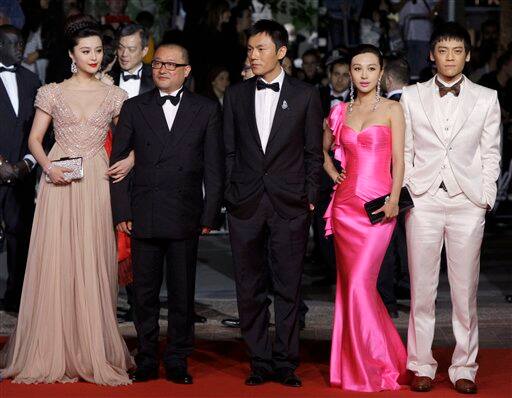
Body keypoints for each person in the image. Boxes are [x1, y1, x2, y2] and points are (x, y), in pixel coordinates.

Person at [0, 18, 133, 385]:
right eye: (86, 51)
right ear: (72, 55)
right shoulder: (52, 92)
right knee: (57, 258)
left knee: (93, 257)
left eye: (98, 51)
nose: (94, 57)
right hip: (60, 178)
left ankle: (91, 347)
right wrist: (48, 168)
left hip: (97, 179)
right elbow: (34, 139)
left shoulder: (115, 95)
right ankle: (54, 346)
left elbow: (130, 139)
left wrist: (131, 160)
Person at [110, 43, 224, 384]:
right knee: (143, 295)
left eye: (171, 65)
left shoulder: (205, 109)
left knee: (181, 292)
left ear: (186, 71)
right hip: (143, 212)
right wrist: (121, 210)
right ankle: (146, 357)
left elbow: (214, 167)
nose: (162, 69)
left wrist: (209, 214)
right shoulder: (133, 107)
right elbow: (119, 164)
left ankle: (177, 358)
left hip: (185, 213)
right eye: (157, 63)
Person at [401, 22, 501, 394]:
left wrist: (484, 198)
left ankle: (464, 366)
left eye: (457, 51)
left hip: (467, 202)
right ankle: (421, 364)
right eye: (442, 50)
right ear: (431, 55)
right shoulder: (411, 96)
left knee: (465, 292)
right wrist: (411, 188)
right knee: (421, 291)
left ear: (468, 55)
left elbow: (491, 153)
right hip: (424, 200)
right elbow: (406, 150)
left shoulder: (487, 98)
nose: (449, 57)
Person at [223, 19, 323, 387]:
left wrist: (310, 195)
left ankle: (285, 360)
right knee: (248, 286)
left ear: (281, 52)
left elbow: (314, 152)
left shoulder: (306, 95)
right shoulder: (235, 95)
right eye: (249, 49)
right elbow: (228, 150)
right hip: (245, 204)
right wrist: (232, 194)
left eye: (260, 49)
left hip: (290, 204)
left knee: (288, 285)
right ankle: (259, 360)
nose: (253, 55)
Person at [322, 44, 408, 392]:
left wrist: (394, 199)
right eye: (357, 69)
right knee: (351, 288)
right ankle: (365, 362)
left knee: (360, 285)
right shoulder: (340, 111)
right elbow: (323, 149)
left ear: (381, 71)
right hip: (344, 207)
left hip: (378, 209)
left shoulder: (393, 109)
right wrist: (332, 173)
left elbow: (400, 161)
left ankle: (372, 364)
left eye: (371, 69)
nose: (363, 75)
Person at [0, 25, 40, 313]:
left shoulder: (32, 80)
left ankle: (16, 297)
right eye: (12, 43)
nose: (19, 48)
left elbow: (43, 129)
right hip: (1, 168)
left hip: (22, 173)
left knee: (20, 237)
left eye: (21, 43)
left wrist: (28, 162)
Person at [377, 56, 411, 318]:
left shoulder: (385, 107)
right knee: (411, 240)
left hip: (385, 181)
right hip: (416, 183)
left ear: (386, 79)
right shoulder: (420, 104)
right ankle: (409, 290)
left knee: (388, 242)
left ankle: (388, 300)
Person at [111, 23, 154, 98]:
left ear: (144, 51)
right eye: (121, 48)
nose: (124, 54)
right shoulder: (107, 75)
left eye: (131, 49)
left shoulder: (155, 78)